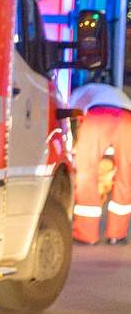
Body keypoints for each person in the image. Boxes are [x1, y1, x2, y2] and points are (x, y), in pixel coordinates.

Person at [69, 84, 131, 245]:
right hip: (127, 117)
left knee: (86, 172)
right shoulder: (109, 91)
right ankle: (117, 235)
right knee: (126, 175)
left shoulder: (76, 95)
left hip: (98, 115)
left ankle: (86, 234)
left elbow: (70, 121)